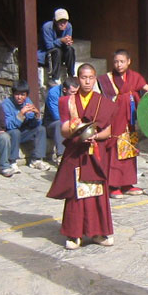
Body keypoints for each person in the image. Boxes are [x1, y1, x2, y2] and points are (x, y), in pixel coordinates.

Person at [46, 63, 117, 250]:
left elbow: (108, 131)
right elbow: (63, 129)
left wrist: (95, 136)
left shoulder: (103, 102)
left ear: (95, 79)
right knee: (76, 193)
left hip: (95, 152)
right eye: (83, 77)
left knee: (96, 193)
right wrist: (75, 129)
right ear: (78, 79)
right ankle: (74, 234)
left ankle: (98, 233)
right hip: (76, 151)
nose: (87, 81)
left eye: (91, 77)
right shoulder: (66, 102)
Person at [99, 49, 148, 197]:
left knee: (129, 151)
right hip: (115, 121)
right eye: (116, 62)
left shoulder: (135, 77)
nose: (119, 65)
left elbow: (147, 89)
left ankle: (128, 184)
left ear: (129, 62)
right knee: (115, 151)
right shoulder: (107, 79)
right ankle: (113, 185)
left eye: (122, 61)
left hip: (129, 122)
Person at [4, 80, 51, 174]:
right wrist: (21, 114)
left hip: (24, 133)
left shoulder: (27, 102)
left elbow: (33, 124)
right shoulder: (6, 104)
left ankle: (36, 159)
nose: (20, 97)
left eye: (23, 95)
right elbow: (8, 125)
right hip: (10, 134)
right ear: (13, 94)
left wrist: (37, 115)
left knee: (41, 129)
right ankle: (12, 162)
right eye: (17, 94)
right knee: (15, 132)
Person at [45, 77, 79, 163]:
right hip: (51, 124)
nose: (75, 95)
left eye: (76, 92)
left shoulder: (75, 94)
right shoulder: (53, 93)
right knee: (60, 124)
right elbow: (56, 115)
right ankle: (61, 155)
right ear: (64, 89)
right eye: (72, 92)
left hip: (71, 121)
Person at [39, 8, 76, 83]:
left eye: (65, 22)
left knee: (70, 49)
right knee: (57, 51)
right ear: (55, 21)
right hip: (48, 54)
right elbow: (48, 46)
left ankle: (71, 75)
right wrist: (61, 40)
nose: (63, 24)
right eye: (60, 22)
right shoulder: (47, 27)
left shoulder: (69, 26)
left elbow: (67, 43)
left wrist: (67, 42)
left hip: (61, 53)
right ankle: (54, 78)